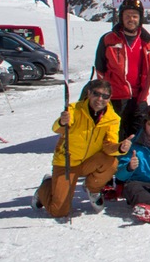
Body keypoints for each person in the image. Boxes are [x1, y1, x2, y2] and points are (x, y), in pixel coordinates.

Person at [33, 79, 126, 218]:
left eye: (105, 96)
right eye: (96, 94)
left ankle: (93, 189)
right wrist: (62, 122)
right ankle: (46, 186)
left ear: (109, 98)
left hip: (89, 162)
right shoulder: (74, 109)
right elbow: (57, 128)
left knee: (111, 162)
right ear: (89, 93)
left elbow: (108, 146)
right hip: (67, 162)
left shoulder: (113, 118)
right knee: (59, 211)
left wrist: (120, 148)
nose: (100, 99)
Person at [93, 0, 150, 142]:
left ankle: (134, 164)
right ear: (121, 17)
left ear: (140, 19)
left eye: (134, 16)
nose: (131, 19)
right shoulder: (109, 40)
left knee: (137, 137)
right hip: (116, 98)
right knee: (116, 136)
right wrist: (104, 95)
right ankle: (116, 164)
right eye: (127, 16)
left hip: (139, 97)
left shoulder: (147, 42)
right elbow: (100, 69)